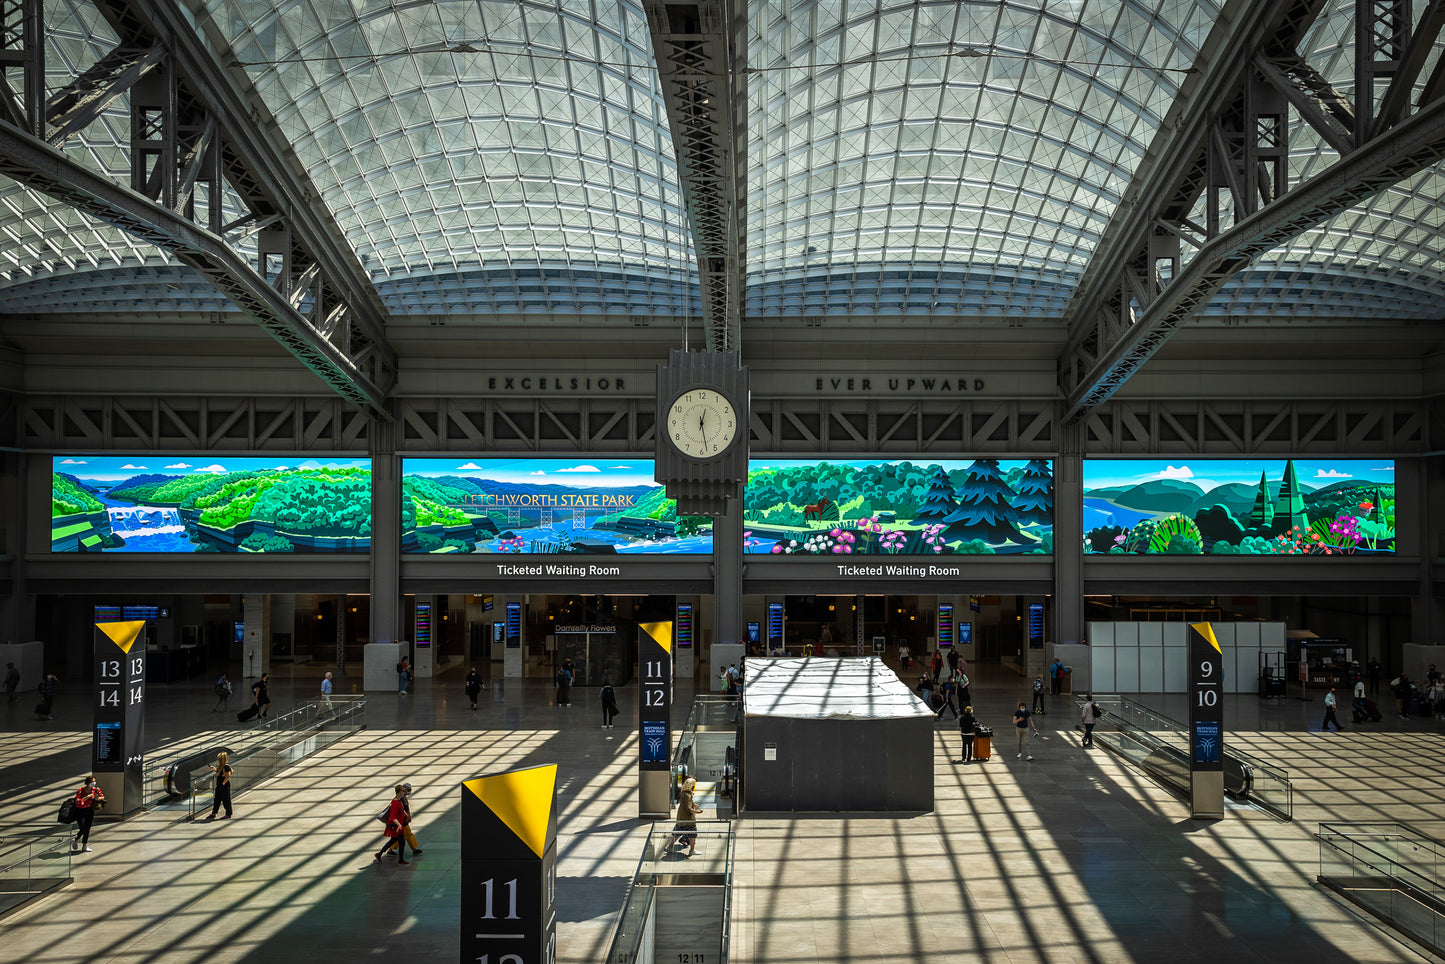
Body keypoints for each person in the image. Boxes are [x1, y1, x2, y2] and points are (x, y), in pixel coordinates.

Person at [374, 784, 411, 864]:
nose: (403, 793)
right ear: (399, 792)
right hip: (396, 827)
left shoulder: (397, 800)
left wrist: (405, 813)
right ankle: (400, 860)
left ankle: (379, 854)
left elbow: (401, 809)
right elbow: (392, 817)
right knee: (402, 842)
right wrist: (399, 825)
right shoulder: (395, 803)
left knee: (393, 841)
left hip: (398, 826)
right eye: (402, 791)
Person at [386, 783, 423, 857]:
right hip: (402, 821)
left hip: (403, 820)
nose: (409, 791)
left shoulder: (404, 797)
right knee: (409, 834)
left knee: (398, 836)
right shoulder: (400, 798)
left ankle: (390, 850)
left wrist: (408, 816)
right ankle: (414, 849)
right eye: (408, 790)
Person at [671, 776, 703, 857]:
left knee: (678, 832)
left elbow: (686, 805)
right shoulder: (688, 795)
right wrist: (698, 811)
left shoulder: (684, 793)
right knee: (693, 835)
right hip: (688, 819)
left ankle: (670, 846)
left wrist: (694, 805)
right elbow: (689, 809)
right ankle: (692, 850)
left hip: (681, 817)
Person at [72, 775, 104, 852]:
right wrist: (87, 797)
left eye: (94, 781)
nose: (93, 783)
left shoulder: (96, 789)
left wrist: (99, 798)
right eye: (92, 782)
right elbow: (78, 802)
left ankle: (84, 845)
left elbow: (102, 796)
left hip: (89, 810)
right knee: (83, 828)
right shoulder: (80, 790)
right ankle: (75, 839)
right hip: (80, 811)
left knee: (88, 828)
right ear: (88, 782)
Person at [205, 751, 233, 820]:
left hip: (224, 785)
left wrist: (223, 783)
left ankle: (228, 813)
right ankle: (214, 813)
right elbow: (219, 773)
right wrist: (214, 769)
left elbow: (228, 776)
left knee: (226, 799)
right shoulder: (221, 766)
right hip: (220, 785)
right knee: (217, 799)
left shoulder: (226, 766)